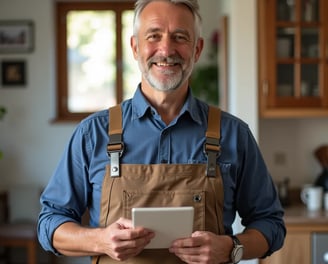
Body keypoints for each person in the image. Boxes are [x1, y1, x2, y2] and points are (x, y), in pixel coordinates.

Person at [38, 0, 286, 263]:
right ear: (135, 47)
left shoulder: (234, 134)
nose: (166, 50)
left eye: (180, 37)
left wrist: (231, 248)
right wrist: (99, 240)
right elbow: (50, 223)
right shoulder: (93, 134)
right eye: (154, 36)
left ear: (197, 49)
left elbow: (270, 224)